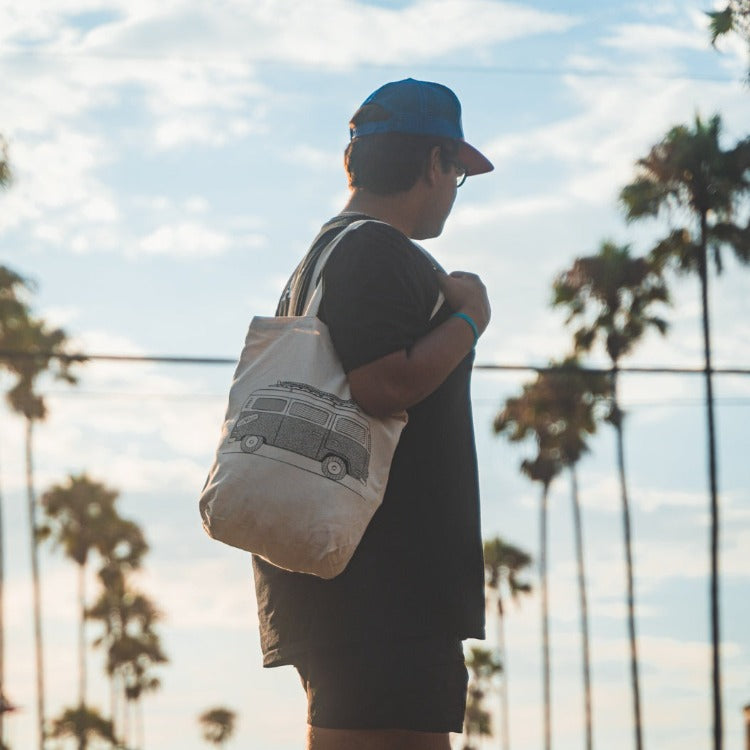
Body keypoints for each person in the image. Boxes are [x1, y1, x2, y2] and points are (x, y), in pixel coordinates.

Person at [252, 78, 494, 750]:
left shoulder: (319, 262)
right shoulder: (377, 252)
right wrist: (472, 315)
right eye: (457, 173)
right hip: (387, 588)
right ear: (433, 163)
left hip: (346, 581)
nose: (452, 190)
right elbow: (384, 385)